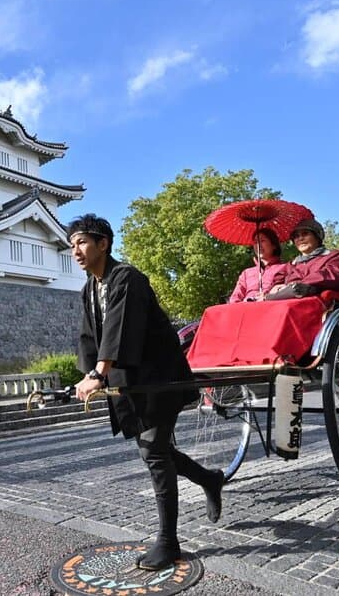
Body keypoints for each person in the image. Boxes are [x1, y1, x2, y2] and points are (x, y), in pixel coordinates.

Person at [69, 214, 225, 571]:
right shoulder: (90, 289)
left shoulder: (127, 278)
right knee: (158, 451)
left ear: (103, 244)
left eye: (81, 242)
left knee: (154, 452)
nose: (75, 250)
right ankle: (210, 479)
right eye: (72, 244)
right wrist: (87, 376)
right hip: (132, 381)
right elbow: (89, 338)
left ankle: (169, 543)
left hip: (160, 376)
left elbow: (119, 330)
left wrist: (98, 373)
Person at [266, 218, 339, 298]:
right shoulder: (291, 264)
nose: (300, 238)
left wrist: (297, 284)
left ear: (317, 237)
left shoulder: (333, 256)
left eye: (305, 234)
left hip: (316, 299)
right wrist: (274, 288)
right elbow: (278, 279)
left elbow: (330, 275)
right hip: (285, 297)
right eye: (296, 236)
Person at [228, 227, 285, 303]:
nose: (258, 245)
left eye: (262, 241)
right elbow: (235, 298)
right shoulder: (246, 273)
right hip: (246, 309)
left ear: (274, 245)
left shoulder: (285, 268)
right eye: (255, 242)